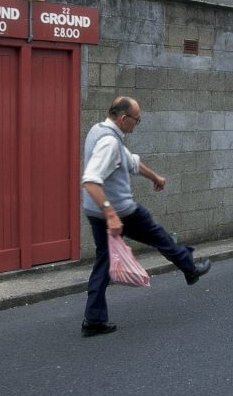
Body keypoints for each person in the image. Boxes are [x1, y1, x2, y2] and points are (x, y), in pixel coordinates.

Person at [80, 96, 211, 336]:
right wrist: (111, 214)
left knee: (103, 261)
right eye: (136, 120)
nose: (136, 124)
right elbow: (90, 180)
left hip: (94, 210)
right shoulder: (110, 142)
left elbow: (131, 162)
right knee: (159, 236)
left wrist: (155, 177)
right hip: (119, 211)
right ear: (123, 118)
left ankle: (93, 319)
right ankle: (190, 268)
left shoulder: (98, 130)